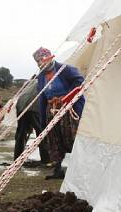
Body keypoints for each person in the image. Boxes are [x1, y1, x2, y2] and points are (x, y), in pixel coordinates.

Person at [33, 47, 85, 180]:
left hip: (67, 109)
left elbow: (79, 80)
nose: (41, 64)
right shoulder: (41, 77)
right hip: (51, 110)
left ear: (50, 58)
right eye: (38, 62)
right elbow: (42, 97)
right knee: (54, 140)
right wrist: (43, 121)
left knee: (70, 138)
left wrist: (67, 97)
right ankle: (58, 169)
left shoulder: (64, 69)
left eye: (42, 60)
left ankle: (77, 169)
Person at [14, 78, 50, 164]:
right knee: (41, 133)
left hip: (21, 106)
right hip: (34, 106)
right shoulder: (46, 81)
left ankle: (17, 158)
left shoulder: (30, 83)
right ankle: (46, 159)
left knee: (21, 133)